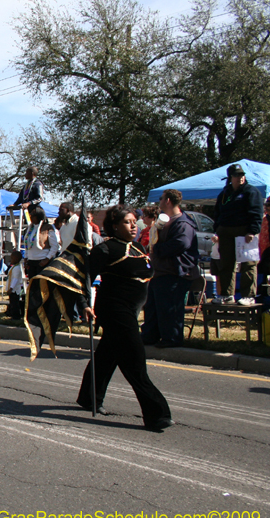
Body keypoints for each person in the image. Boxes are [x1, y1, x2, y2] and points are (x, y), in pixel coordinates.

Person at [76, 206, 174, 431]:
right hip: (114, 310)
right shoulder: (105, 249)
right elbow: (84, 278)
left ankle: (89, 397)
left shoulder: (138, 247)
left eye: (134, 221)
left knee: (106, 356)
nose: (133, 226)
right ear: (115, 226)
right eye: (127, 222)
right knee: (134, 359)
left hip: (132, 310)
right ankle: (157, 414)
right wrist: (84, 305)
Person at [140, 190, 199, 348]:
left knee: (169, 309)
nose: (158, 202)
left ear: (167, 201)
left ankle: (171, 339)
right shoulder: (166, 221)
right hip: (160, 272)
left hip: (175, 273)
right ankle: (150, 336)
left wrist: (157, 249)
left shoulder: (182, 223)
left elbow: (181, 244)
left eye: (160, 199)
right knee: (153, 307)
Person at [211, 163, 264, 305]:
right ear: (230, 177)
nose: (240, 177)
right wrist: (217, 229)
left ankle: (249, 295)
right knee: (226, 263)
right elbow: (217, 212)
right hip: (226, 231)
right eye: (236, 175)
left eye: (242, 175)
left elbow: (257, 212)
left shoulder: (251, 192)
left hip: (244, 231)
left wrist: (252, 231)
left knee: (248, 263)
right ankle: (227, 294)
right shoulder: (224, 193)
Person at [23, 204, 59, 279]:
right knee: (33, 284)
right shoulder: (29, 229)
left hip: (42, 261)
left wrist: (47, 259)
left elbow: (55, 246)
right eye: (30, 215)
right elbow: (27, 245)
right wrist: (26, 258)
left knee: (41, 285)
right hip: (31, 261)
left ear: (39, 216)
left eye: (33, 215)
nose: (30, 217)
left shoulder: (47, 228)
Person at [4, 250, 24, 319]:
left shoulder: (17, 268)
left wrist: (11, 288)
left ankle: (16, 316)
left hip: (14, 289)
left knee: (15, 303)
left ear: (16, 259)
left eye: (12, 258)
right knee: (12, 302)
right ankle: (11, 314)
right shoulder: (14, 267)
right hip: (12, 289)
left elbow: (15, 279)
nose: (10, 260)